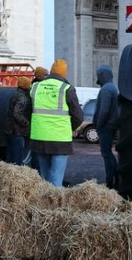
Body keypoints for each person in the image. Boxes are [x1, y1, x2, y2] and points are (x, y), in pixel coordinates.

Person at [29, 59, 84, 187]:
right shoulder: (66, 88)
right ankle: (53, 205)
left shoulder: (35, 87)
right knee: (56, 178)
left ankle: (43, 204)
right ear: (64, 74)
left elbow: (27, 112)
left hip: (39, 138)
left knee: (45, 178)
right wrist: (69, 128)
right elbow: (78, 116)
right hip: (60, 140)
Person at [94, 64, 120, 188]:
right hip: (110, 125)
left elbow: (104, 110)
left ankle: (110, 180)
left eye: (98, 75)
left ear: (103, 75)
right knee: (107, 152)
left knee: (106, 153)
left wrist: (98, 124)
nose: (97, 78)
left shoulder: (106, 90)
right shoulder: (112, 87)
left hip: (106, 126)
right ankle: (116, 176)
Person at [5, 76, 32, 166]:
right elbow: (17, 114)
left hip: (10, 131)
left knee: (9, 160)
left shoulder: (15, 94)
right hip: (18, 132)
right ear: (26, 86)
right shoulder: (22, 97)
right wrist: (27, 124)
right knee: (17, 161)